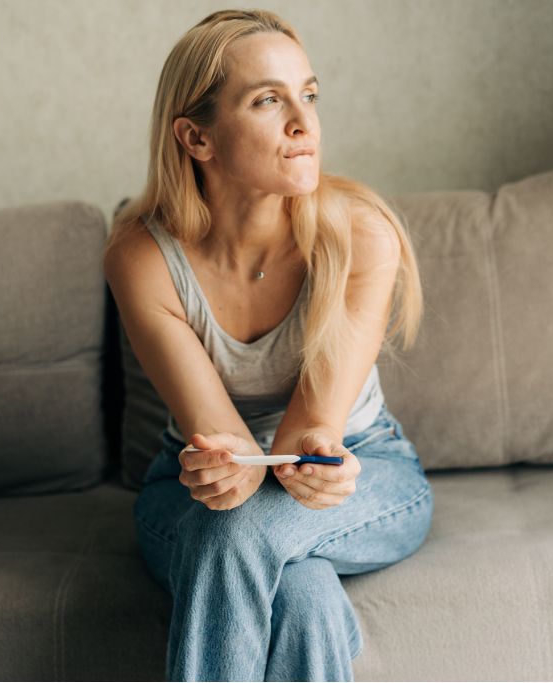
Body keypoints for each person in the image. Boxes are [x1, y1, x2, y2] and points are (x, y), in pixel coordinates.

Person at [104, 8, 433, 682]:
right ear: (197, 138)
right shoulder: (142, 256)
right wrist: (225, 466)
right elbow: (230, 450)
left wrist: (326, 467)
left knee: (242, 535)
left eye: (307, 94)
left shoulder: (361, 235)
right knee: (302, 592)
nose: (304, 123)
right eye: (268, 100)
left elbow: (313, 432)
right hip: (193, 486)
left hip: (363, 468)